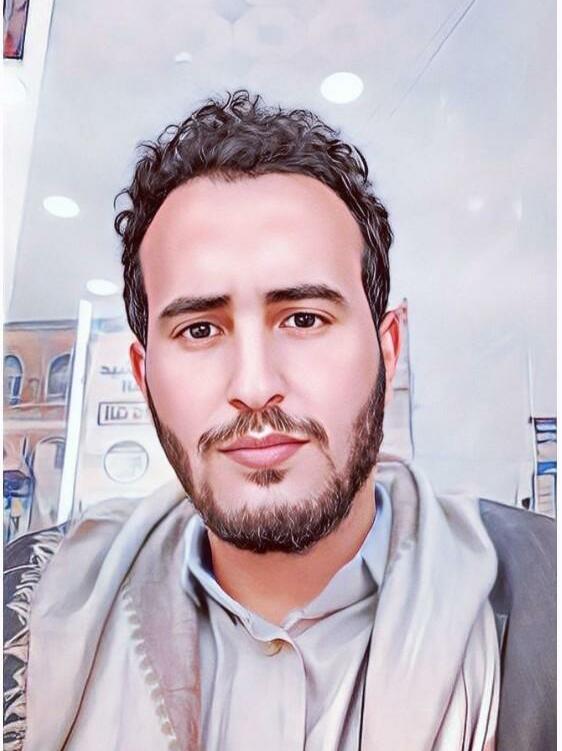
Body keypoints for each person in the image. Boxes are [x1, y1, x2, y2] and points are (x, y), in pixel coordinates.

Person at [4, 90, 555, 751]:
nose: (254, 385)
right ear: (145, 375)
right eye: (200, 329)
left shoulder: (542, 606)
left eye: (304, 318)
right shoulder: (28, 614)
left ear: (389, 349)